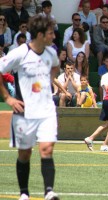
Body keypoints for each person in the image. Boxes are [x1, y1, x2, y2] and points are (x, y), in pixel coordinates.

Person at [0, 15, 60, 200]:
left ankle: (49, 191)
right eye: (50, 33)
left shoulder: (51, 53)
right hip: (24, 113)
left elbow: (55, 67)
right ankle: (24, 193)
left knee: (47, 149)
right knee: (25, 153)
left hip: (47, 111)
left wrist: (47, 82)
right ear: (40, 34)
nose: (54, 37)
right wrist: (8, 98)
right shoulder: (20, 53)